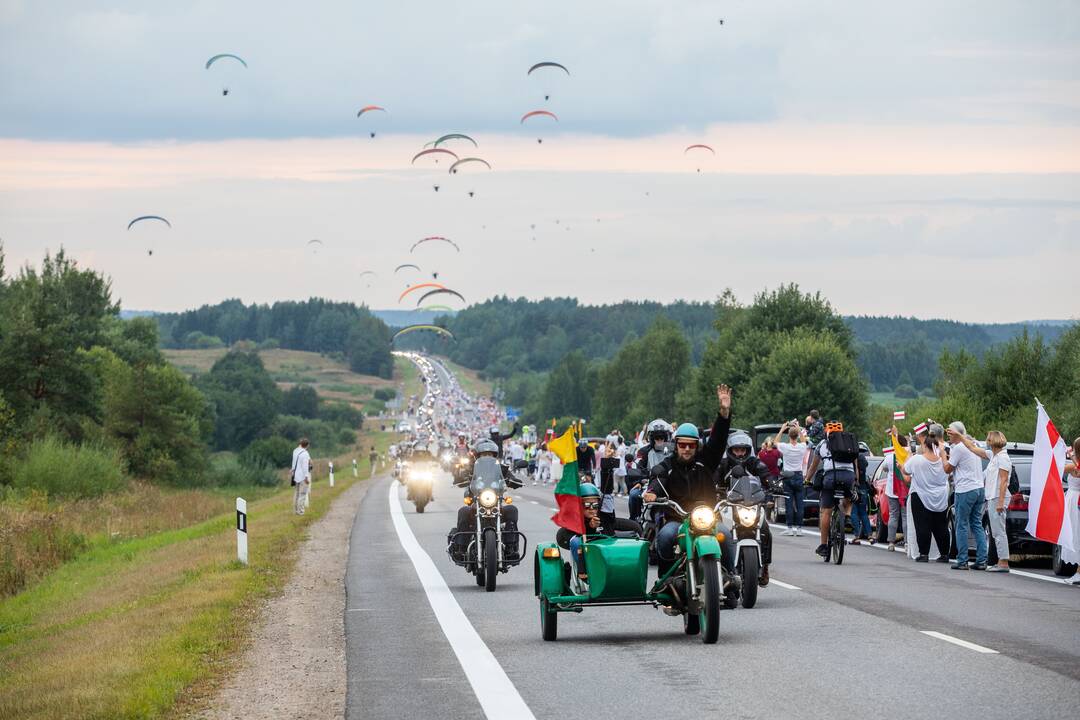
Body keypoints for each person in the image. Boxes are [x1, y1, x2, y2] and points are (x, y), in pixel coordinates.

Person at [642, 385, 735, 571]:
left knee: (725, 535)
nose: (686, 449)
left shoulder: (706, 461)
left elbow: (718, 440)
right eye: (682, 445)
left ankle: (731, 578)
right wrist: (652, 492)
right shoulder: (668, 465)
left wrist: (724, 414)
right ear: (676, 445)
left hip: (708, 518)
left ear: (696, 446)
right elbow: (658, 477)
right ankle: (667, 581)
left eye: (691, 445)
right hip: (678, 518)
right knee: (666, 537)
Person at [714, 430, 773, 584]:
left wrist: (773, 483)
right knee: (717, 531)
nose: (740, 454)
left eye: (743, 450)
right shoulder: (724, 464)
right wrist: (715, 489)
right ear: (731, 450)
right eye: (737, 450)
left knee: (766, 530)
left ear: (748, 451)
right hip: (727, 505)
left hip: (750, 504)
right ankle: (717, 567)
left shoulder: (753, 463)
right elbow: (714, 478)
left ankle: (765, 566)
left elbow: (764, 471)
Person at [953, 429, 1011, 572]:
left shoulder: (1003, 458)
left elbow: (1004, 481)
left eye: (988, 439)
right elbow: (973, 448)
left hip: (998, 497)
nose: (986, 442)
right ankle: (999, 560)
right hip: (992, 496)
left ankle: (1003, 562)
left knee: (998, 531)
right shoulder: (994, 456)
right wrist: (961, 437)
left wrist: (1000, 503)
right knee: (995, 530)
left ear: (993, 441)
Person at [803, 422, 858, 559]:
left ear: (827, 432)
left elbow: (813, 467)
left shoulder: (822, 444)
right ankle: (846, 517)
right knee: (849, 494)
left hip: (830, 478)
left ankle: (823, 546)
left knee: (826, 511)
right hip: (849, 477)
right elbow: (856, 468)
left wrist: (807, 480)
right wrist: (855, 481)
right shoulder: (849, 442)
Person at [902, 424, 951, 563]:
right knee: (941, 526)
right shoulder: (943, 461)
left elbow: (905, 471)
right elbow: (949, 473)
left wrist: (906, 459)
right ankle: (944, 554)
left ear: (926, 446)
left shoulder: (917, 459)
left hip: (921, 495)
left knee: (922, 525)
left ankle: (924, 553)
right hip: (940, 496)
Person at [944, 421, 988, 570]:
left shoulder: (958, 448)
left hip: (965, 489)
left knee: (961, 524)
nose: (948, 436)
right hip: (979, 488)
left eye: (950, 433)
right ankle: (982, 559)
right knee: (976, 523)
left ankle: (962, 560)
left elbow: (947, 469)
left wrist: (944, 455)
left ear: (957, 434)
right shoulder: (974, 444)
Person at [630, 418, 673, 521]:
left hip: (671, 483)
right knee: (634, 495)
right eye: (656, 436)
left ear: (667, 436)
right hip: (649, 484)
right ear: (651, 437)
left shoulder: (674, 451)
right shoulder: (644, 451)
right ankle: (635, 521)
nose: (659, 438)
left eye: (662, 436)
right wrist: (639, 481)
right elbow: (638, 468)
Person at [774, 422, 807, 536]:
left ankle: (789, 528)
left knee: (788, 502)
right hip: (798, 475)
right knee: (799, 503)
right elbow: (804, 441)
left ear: (788, 436)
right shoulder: (802, 447)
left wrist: (782, 429)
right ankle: (799, 528)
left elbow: (775, 442)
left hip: (788, 475)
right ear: (797, 436)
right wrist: (798, 429)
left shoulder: (785, 447)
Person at [1060, 438, 1080, 584]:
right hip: (1072, 500)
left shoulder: (1075, 467)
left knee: (1076, 535)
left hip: (1076, 501)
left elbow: (1058, 468)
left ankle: (1079, 573)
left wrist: (1071, 456)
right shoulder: (1074, 465)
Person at [849, 445, 872, 544]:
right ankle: (870, 535)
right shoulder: (862, 458)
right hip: (863, 487)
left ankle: (857, 536)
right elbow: (866, 465)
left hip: (854, 487)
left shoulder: (851, 458)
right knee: (863, 513)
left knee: (854, 512)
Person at [291, 438, 312, 516]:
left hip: (296, 476)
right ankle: (300, 511)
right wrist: (306, 477)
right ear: (307, 445)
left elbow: (293, 464)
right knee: (302, 494)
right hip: (303, 477)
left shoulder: (295, 451)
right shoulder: (305, 454)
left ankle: (295, 510)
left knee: (296, 494)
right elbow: (305, 467)